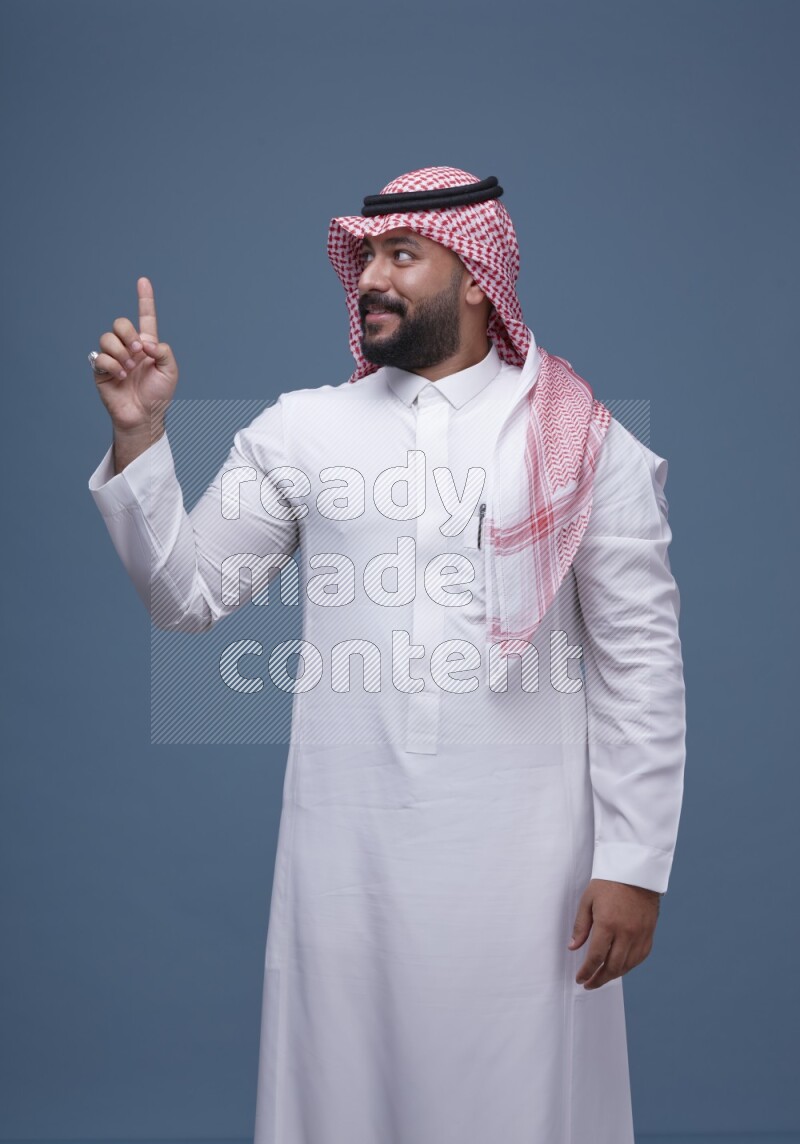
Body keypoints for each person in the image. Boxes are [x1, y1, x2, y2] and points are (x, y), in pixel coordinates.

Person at [87, 167, 686, 1144]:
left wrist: (633, 861)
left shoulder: (585, 442)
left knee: (517, 1108)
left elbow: (639, 669)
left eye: (400, 255)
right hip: (344, 859)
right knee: (342, 1103)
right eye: (364, 256)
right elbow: (184, 595)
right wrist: (141, 439)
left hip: (526, 863)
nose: (371, 275)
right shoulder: (302, 429)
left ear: (479, 279)